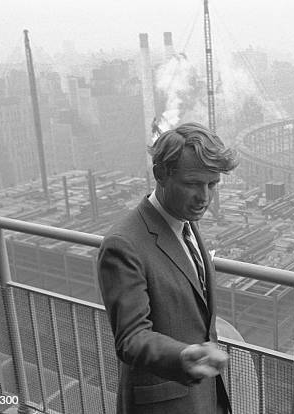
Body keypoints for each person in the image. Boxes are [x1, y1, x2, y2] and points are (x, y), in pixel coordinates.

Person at [98, 122, 239, 414]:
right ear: (160, 174)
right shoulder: (123, 245)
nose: (205, 197)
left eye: (212, 184)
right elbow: (131, 338)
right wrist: (184, 356)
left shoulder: (186, 223)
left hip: (202, 398)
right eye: (192, 184)